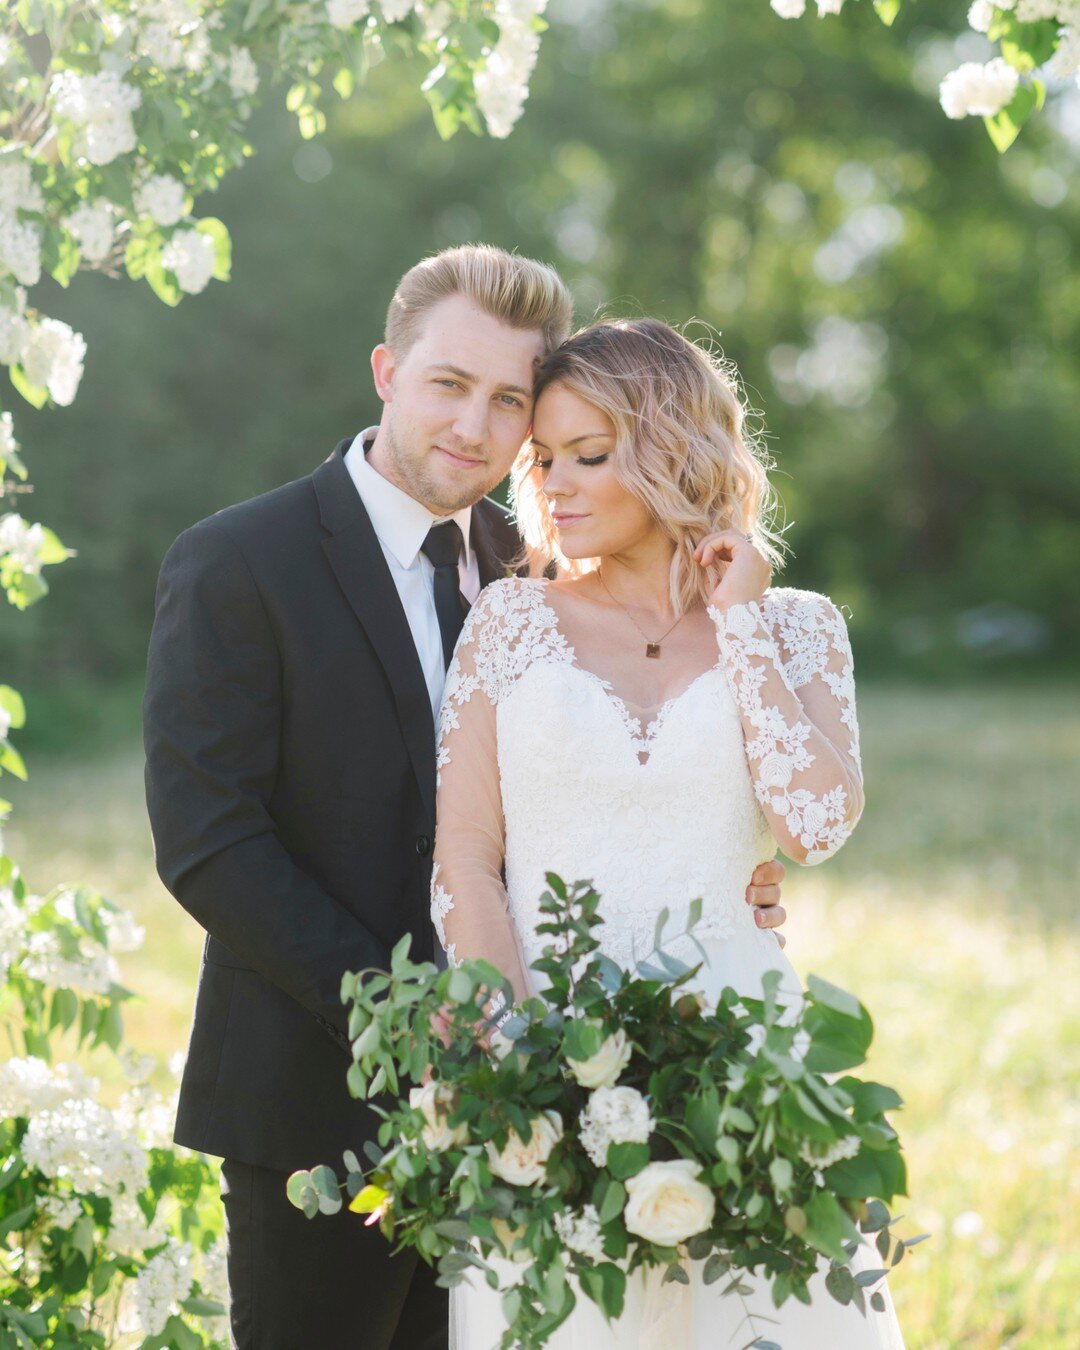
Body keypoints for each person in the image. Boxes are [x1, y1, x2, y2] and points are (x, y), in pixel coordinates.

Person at [142, 247, 790, 1349]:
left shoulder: (539, 567)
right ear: (388, 370)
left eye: (509, 401)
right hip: (318, 1093)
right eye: (450, 383)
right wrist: (413, 1017)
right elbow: (210, 842)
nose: (477, 427)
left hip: (544, 1108)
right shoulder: (239, 561)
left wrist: (726, 864)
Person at [432, 317, 905, 1347]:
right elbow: (466, 856)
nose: (555, 486)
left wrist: (740, 620)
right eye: (544, 460)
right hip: (551, 1055)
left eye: (590, 457)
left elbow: (815, 825)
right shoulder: (510, 625)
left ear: (672, 450)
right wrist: (515, 1068)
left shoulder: (798, 628)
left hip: (745, 1068)